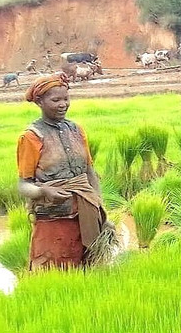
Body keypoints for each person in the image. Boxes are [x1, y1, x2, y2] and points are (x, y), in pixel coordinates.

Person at [16, 73, 110, 270]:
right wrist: (44, 191)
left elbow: (89, 172)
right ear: (39, 101)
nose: (63, 104)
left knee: (89, 268)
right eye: (55, 100)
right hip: (53, 220)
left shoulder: (77, 130)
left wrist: (100, 206)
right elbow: (23, 185)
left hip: (85, 216)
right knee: (52, 271)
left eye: (66, 99)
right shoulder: (32, 137)